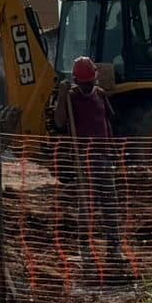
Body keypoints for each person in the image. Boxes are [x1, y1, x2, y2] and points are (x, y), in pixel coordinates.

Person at [54, 56, 125, 269]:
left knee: (110, 204)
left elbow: (107, 123)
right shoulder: (71, 97)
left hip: (103, 157)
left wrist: (114, 152)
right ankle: (85, 247)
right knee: (86, 205)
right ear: (78, 81)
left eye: (91, 81)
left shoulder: (101, 95)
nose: (89, 85)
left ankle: (114, 247)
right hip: (83, 159)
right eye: (85, 83)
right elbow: (59, 122)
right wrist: (61, 96)